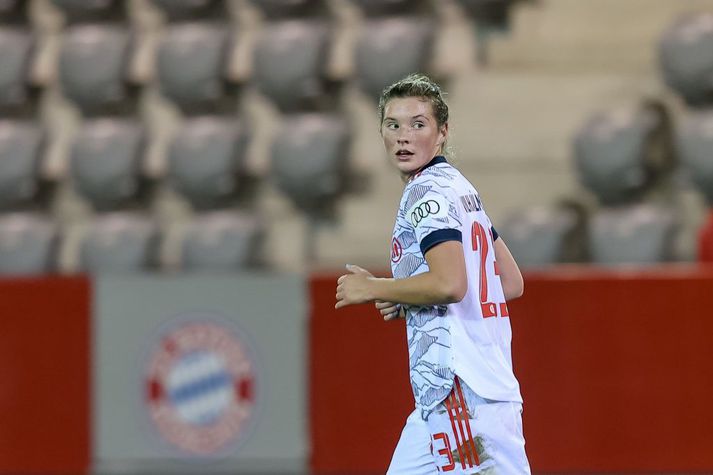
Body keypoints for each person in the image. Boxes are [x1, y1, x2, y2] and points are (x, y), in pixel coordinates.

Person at [335, 73, 531, 474]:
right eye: (393, 125)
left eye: (418, 124)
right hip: (447, 399)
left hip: (462, 393)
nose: (404, 136)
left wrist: (373, 287)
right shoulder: (459, 188)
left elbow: (450, 284)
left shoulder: (426, 194)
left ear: (442, 133)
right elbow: (508, 281)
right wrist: (407, 299)